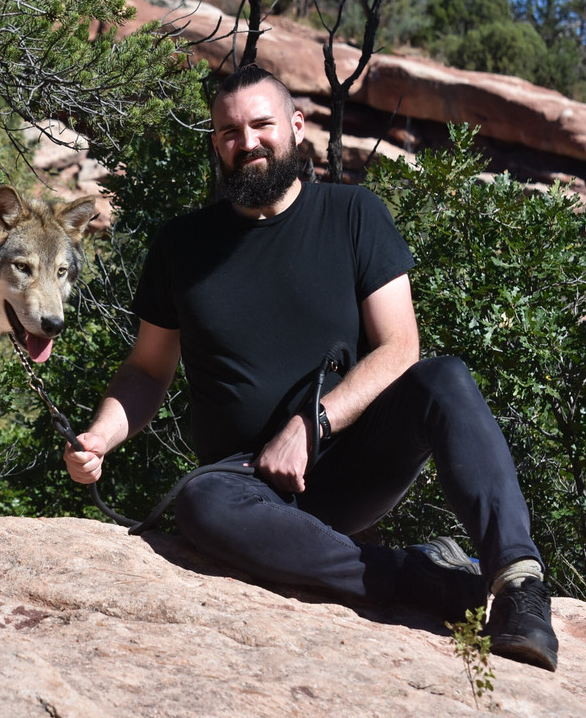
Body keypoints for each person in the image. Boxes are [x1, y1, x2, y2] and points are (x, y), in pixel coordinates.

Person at [64, 64, 559, 671]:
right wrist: (101, 437)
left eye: (261, 124)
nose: (246, 143)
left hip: (348, 462)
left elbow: (400, 347)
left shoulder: (354, 214)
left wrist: (311, 424)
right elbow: (146, 371)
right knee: (200, 503)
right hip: (245, 484)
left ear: (296, 126)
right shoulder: (182, 245)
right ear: (215, 142)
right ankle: (430, 580)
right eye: (228, 132)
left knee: (445, 378)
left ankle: (518, 583)